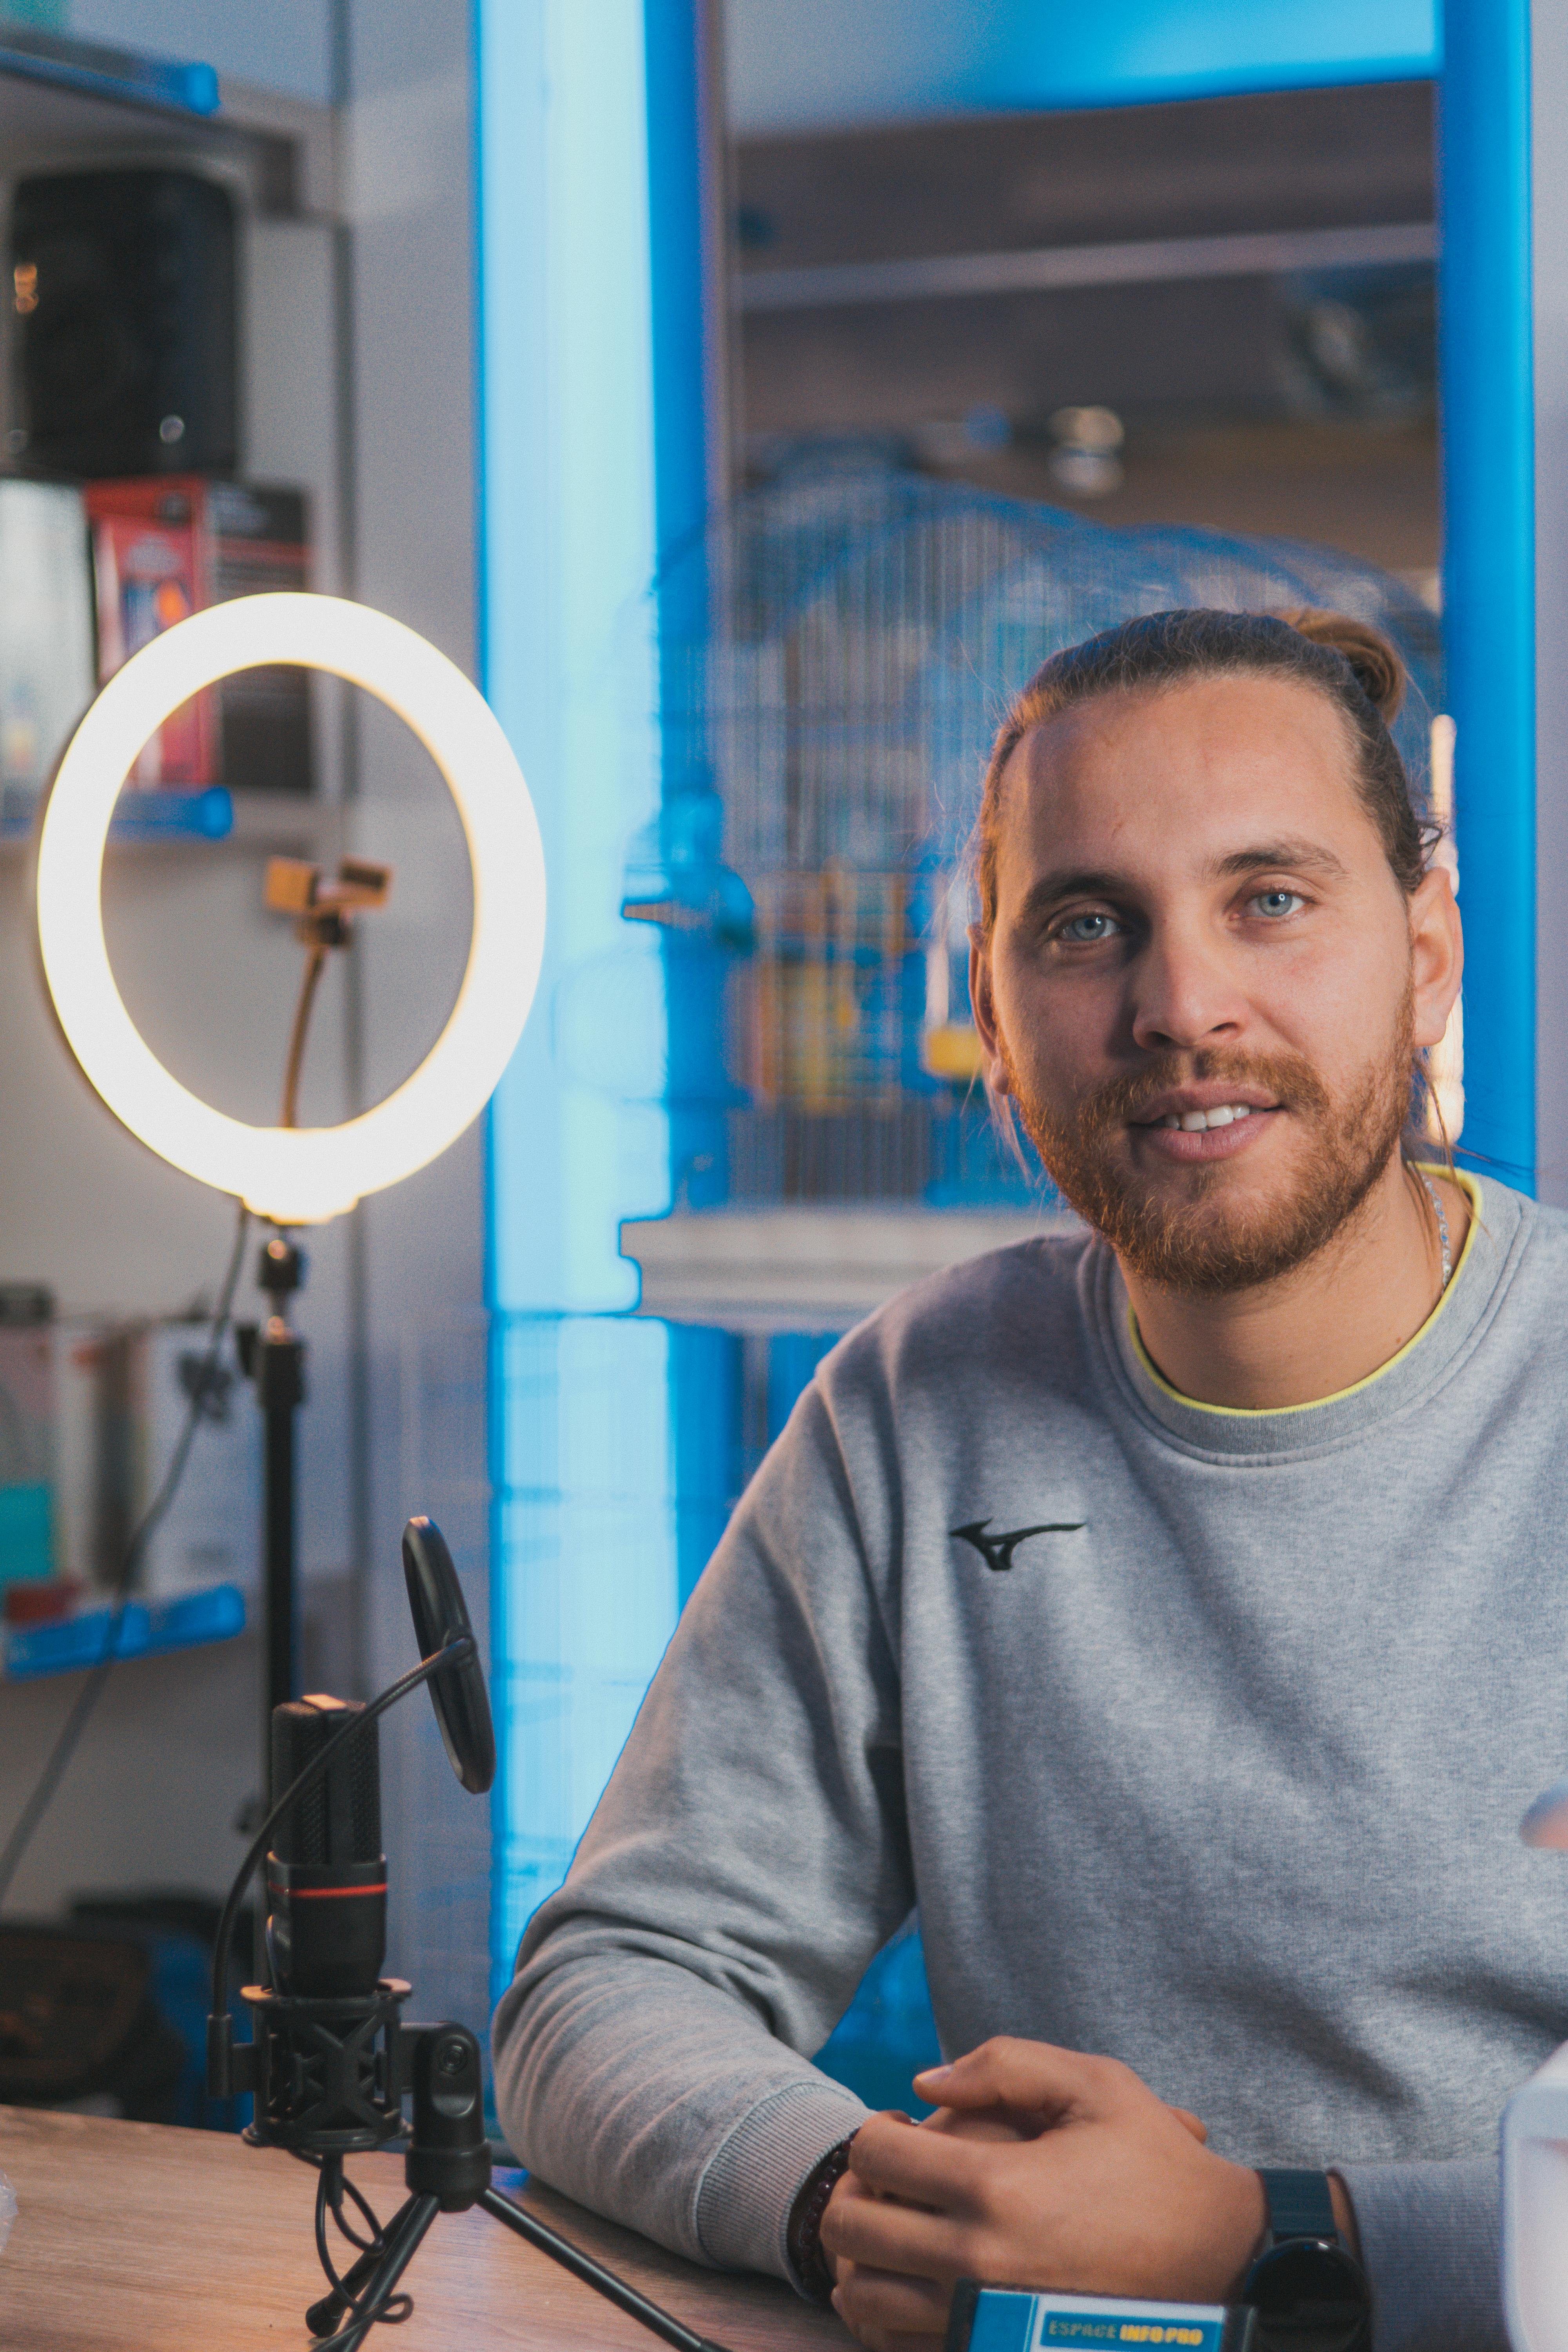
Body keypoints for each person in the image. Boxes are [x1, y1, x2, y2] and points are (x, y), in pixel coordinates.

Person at [493, 609, 1568, 2352]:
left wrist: (1267, 2244)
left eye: (1270, 900)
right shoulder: (915, 1409)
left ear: (1429, 955)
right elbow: (605, 1988)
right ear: (990, 1021)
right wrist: (880, 2210)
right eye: (1086, 925)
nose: (1180, 1005)